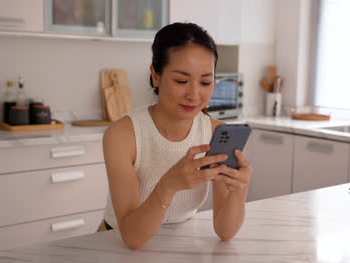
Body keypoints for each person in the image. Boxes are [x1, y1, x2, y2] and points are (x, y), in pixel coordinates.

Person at [102, 22, 253, 250]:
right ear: (156, 76)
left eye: (205, 82)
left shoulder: (215, 132)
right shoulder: (122, 135)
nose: (194, 94)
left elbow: (225, 231)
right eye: (181, 81)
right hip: (116, 246)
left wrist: (239, 191)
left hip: (179, 245)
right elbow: (132, 238)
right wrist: (168, 185)